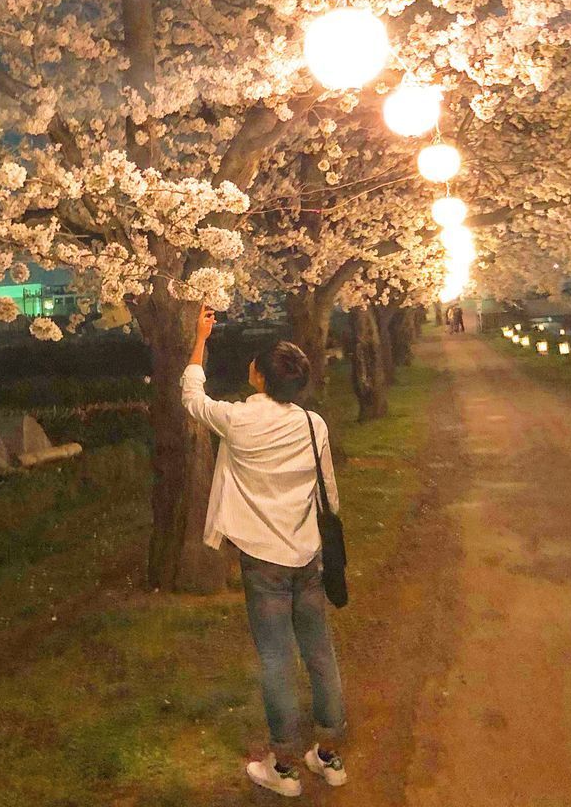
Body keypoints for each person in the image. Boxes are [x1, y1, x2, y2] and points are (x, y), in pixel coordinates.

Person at [181, 304, 347, 798]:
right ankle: (329, 755)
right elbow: (329, 494)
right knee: (319, 650)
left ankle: (285, 767)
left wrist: (200, 338)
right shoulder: (313, 425)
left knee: (276, 657)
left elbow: (191, 395)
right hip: (308, 556)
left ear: (259, 378)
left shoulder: (238, 421)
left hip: (263, 561)